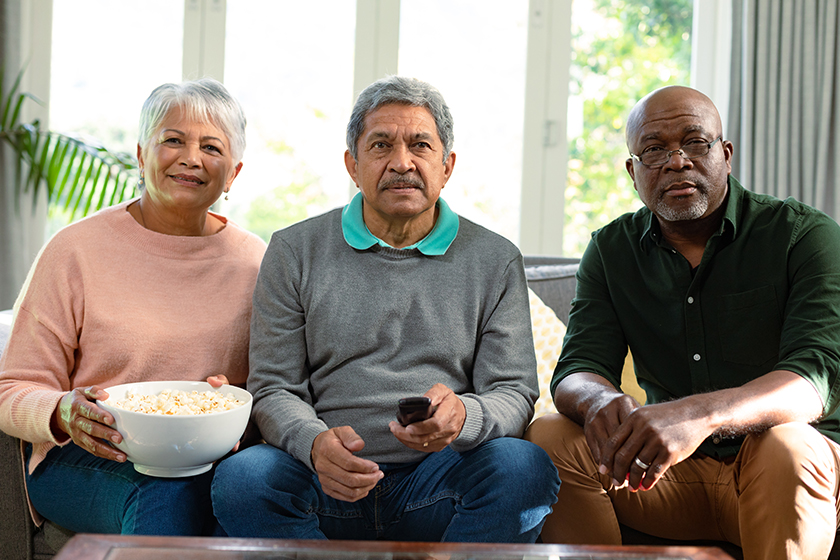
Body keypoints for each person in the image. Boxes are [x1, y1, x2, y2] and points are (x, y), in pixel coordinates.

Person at [212, 75, 560, 542]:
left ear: (447, 166)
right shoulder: (294, 250)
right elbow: (273, 388)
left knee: (524, 468)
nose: (402, 163)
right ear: (352, 166)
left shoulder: (494, 259)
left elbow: (513, 392)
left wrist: (463, 417)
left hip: (440, 480)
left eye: (420, 145)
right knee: (244, 480)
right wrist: (315, 445)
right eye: (381, 146)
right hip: (321, 482)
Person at [525, 85, 840, 559]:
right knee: (549, 434)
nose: (677, 162)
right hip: (665, 475)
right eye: (654, 150)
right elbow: (576, 369)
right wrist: (600, 399)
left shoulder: (802, 235)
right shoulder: (612, 251)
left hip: (778, 471)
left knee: (787, 444)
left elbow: (813, 380)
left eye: (696, 143)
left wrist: (696, 415)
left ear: (726, 155)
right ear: (633, 172)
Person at [0, 78, 267, 535]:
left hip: (211, 456)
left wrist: (241, 402)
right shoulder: (75, 250)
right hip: (90, 455)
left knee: (249, 492)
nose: (191, 158)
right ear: (143, 156)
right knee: (164, 493)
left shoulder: (257, 261)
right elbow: (13, 388)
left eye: (211, 147)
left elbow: (276, 383)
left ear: (234, 173)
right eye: (173, 140)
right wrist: (65, 411)